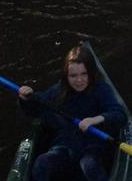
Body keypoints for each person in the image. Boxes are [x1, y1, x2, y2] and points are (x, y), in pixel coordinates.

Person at [17, 45, 126, 181]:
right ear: (66, 75)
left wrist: (94, 120)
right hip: (65, 146)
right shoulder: (59, 91)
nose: (79, 80)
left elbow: (119, 115)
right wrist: (25, 98)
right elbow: (36, 107)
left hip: (93, 146)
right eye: (73, 75)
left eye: (84, 74)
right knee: (42, 163)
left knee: (89, 166)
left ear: (90, 73)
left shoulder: (101, 90)